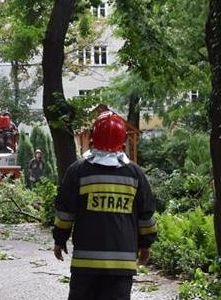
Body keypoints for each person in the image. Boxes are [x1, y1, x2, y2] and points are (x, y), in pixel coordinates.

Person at [52, 110, 157, 300]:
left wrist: (60, 239)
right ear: (123, 140)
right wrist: (146, 244)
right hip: (121, 265)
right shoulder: (135, 174)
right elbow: (146, 217)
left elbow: (65, 212)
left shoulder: (78, 171)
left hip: (86, 264)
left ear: (93, 137)